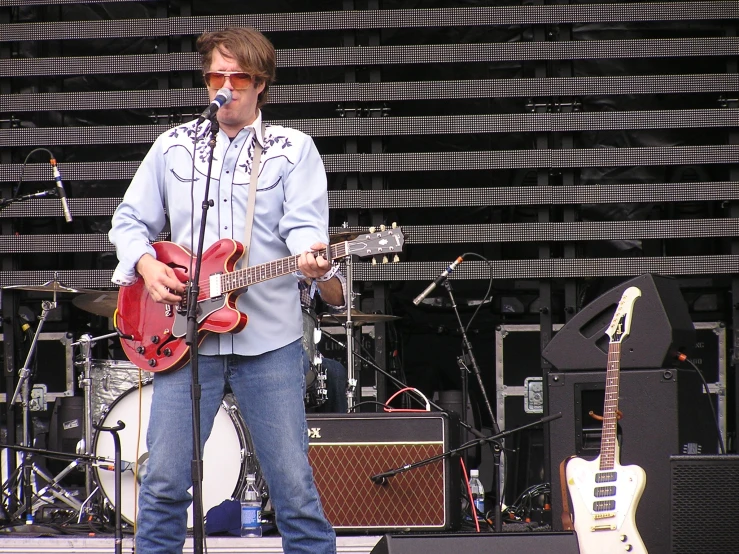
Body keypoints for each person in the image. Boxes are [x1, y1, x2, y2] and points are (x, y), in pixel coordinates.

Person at [108, 27, 336, 554]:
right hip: (185, 342)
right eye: (217, 76)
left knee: (294, 488)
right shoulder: (174, 147)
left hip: (270, 341)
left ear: (262, 85)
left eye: (239, 78)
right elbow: (128, 220)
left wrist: (312, 256)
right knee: (163, 482)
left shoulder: (293, 150)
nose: (226, 88)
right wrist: (145, 264)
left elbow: (305, 229)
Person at [298, 272, 349, 414]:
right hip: (250, 341)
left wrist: (320, 273)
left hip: (299, 349)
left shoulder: (304, 252)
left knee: (334, 372)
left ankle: (337, 436)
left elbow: (341, 298)